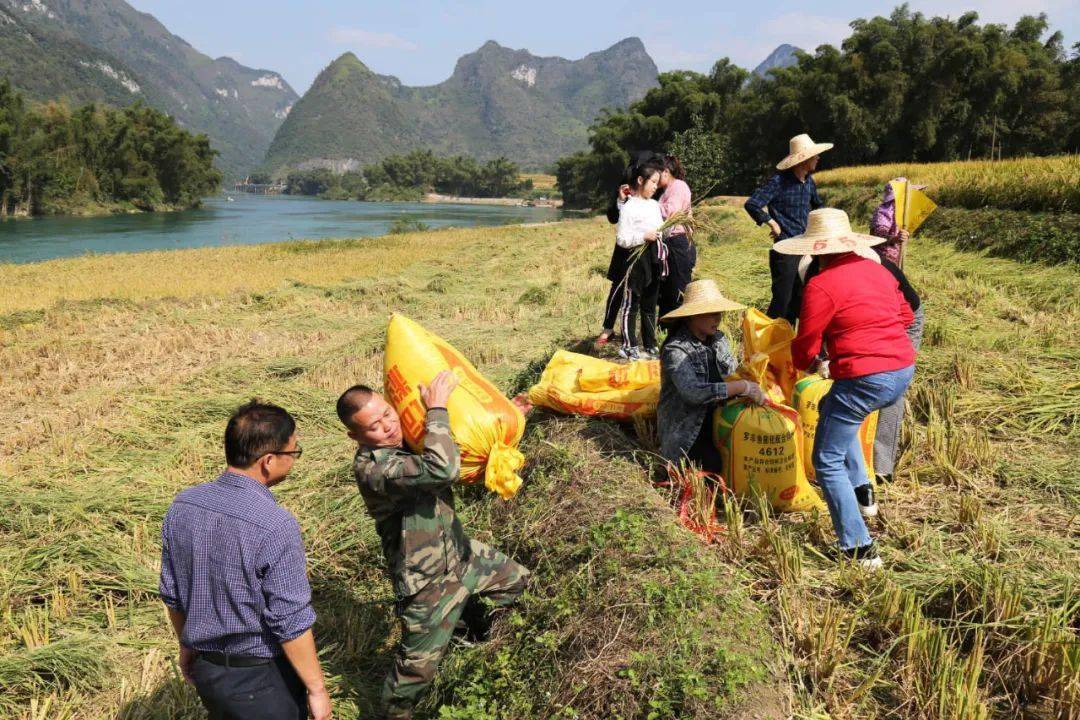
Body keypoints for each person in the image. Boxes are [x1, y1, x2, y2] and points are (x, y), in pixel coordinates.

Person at [336, 372, 530, 720]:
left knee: (517, 583)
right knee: (412, 675)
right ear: (356, 437)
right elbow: (442, 468)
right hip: (427, 583)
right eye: (374, 426)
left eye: (386, 413)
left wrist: (502, 419)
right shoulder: (377, 468)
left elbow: (454, 441)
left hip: (462, 554)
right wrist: (436, 407)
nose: (387, 426)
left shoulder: (404, 438)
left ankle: (469, 633)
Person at [159, 401, 332, 720]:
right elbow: (290, 619)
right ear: (268, 461)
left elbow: (172, 594)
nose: (294, 461)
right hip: (262, 682)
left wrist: (187, 646)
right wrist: (317, 689)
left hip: (209, 674)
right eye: (293, 453)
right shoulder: (274, 524)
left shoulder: (182, 506)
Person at [779, 209, 916, 570]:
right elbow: (906, 316)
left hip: (865, 378)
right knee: (834, 413)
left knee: (826, 460)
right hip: (903, 368)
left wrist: (812, 362)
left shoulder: (820, 285)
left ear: (817, 251)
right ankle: (864, 492)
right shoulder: (877, 270)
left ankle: (859, 548)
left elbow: (806, 344)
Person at [657, 279, 767, 473]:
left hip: (720, 418)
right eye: (711, 314)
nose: (717, 319)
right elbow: (694, 393)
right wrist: (741, 387)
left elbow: (732, 373)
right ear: (692, 316)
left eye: (719, 313)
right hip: (690, 429)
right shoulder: (676, 350)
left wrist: (753, 380)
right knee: (714, 469)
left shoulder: (719, 339)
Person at [869, 179, 926, 482]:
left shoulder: (871, 272)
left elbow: (903, 313)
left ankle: (881, 467)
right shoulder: (828, 277)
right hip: (882, 312)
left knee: (891, 384)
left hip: (905, 314)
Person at [744, 133, 832, 325]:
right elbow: (752, 204)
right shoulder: (779, 181)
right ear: (803, 159)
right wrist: (771, 221)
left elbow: (818, 206)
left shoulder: (808, 182)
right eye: (814, 155)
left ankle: (795, 347)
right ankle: (770, 343)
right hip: (786, 249)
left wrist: (831, 221)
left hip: (807, 248)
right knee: (782, 303)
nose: (818, 158)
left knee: (804, 301)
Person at [596, 151, 663, 348]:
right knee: (619, 286)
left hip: (648, 250)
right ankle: (609, 327)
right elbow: (613, 217)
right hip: (626, 247)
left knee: (646, 296)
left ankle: (647, 338)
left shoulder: (653, 190)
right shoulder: (626, 185)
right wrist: (620, 201)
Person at [614, 159, 666, 360]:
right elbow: (622, 239)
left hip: (653, 258)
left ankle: (650, 344)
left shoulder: (654, 205)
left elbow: (660, 228)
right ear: (640, 180)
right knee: (631, 303)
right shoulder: (629, 207)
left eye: (657, 183)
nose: (655, 187)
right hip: (635, 259)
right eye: (653, 182)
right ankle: (629, 344)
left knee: (650, 304)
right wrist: (643, 237)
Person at [657, 155, 696, 317]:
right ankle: (665, 331)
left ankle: (679, 331)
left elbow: (671, 212)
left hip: (678, 243)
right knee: (668, 293)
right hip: (671, 244)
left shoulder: (678, 186)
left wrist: (648, 207)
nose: (654, 179)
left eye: (656, 174)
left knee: (678, 291)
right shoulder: (667, 190)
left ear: (665, 171)